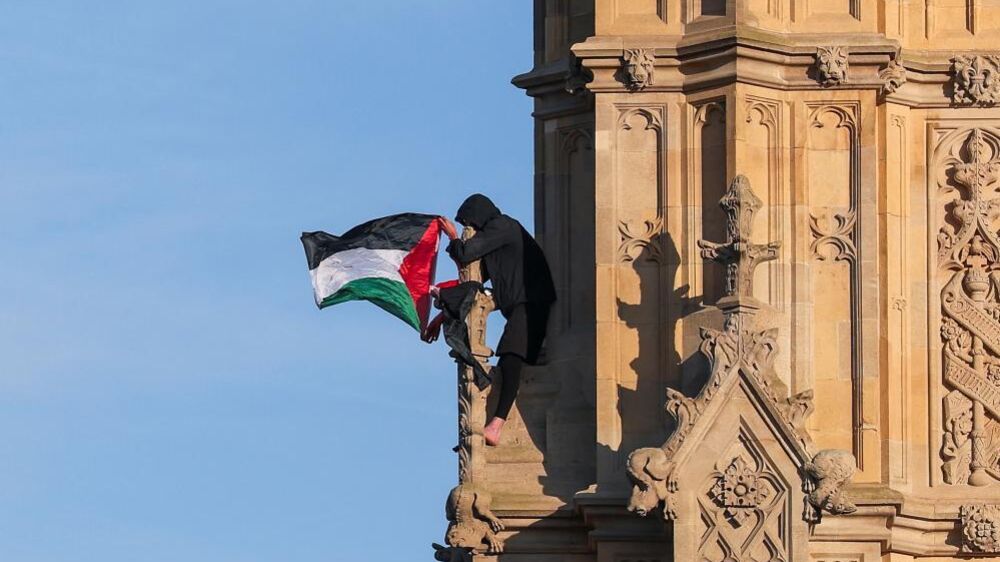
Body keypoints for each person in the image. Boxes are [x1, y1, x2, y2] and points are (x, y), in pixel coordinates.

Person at [422, 194, 556, 446]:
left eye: (468, 224)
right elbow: (473, 286)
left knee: (510, 358)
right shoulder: (499, 240)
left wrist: (452, 236)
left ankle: (496, 424)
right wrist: (440, 318)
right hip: (523, 303)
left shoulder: (502, 225)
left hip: (531, 303)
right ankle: (496, 422)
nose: (468, 230)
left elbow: (466, 253)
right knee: (512, 357)